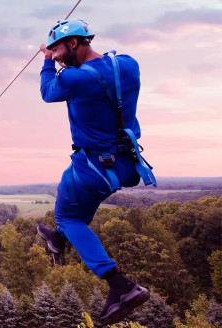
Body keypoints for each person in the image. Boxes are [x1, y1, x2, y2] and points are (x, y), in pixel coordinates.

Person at [36, 19, 156, 325]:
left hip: (92, 168)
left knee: (69, 217)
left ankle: (122, 286)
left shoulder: (75, 79)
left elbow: (48, 92)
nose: (58, 55)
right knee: (78, 213)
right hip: (126, 164)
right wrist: (56, 51)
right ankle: (58, 239)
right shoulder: (129, 65)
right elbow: (109, 64)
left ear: (74, 43)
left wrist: (46, 60)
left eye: (60, 49)